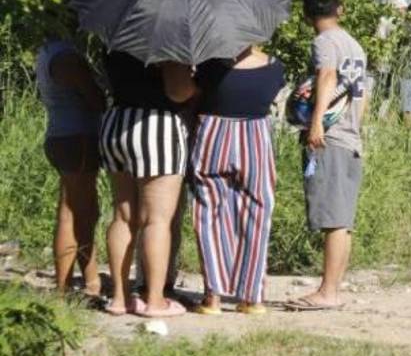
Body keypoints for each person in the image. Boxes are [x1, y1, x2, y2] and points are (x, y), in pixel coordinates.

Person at [290, 0, 367, 311]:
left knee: (333, 219)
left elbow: (326, 76)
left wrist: (317, 121)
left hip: (331, 139)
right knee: (343, 220)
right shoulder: (354, 45)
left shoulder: (324, 43)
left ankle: (328, 291)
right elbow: (360, 95)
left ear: (306, 13)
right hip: (351, 138)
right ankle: (332, 288)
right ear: (340, 8)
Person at [99, 51, 195, 317]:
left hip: (116, 122)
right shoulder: (168, 39)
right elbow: (177, 91)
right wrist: (195, 87)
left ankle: (119, 298)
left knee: (122, 215)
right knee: (157, 220)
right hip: (156, 126)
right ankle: (155, 300)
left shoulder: (115, 35)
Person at [190, 46, 285, 315]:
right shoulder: (274, 67)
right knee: (257, 211)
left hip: (212, 134)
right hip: (255, 136)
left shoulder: (208, 67)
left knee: (208, 213)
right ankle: (252, 296)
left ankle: (213, 296)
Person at [35, 34, 105, 296]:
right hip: (79, 138)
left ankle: (78, 282)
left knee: (71, 208)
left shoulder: (45, 51)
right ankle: (80, 284)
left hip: (58, 134)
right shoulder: (68, 58)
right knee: (80, 212)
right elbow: (96, 100)